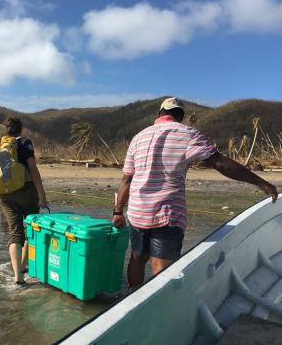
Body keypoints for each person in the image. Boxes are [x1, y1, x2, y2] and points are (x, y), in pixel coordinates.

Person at [112, 97, 278, 289]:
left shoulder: (138, 137)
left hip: (137, 212)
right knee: (162, 269)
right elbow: (220, 163)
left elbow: (127, 179)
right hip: (167, 214)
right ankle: (159, 307)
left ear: (159, 114)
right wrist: (262, 183)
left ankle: (131, 297)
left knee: (137, 257)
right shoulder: (188, 134)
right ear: (180, 116)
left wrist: (117, 212)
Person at [0, 117, 48, 285]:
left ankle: (17, 276)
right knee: (31, 231)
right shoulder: (25, 143)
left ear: (6, 130)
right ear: (21, 129)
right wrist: (43, 196)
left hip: (6, 194)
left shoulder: (1, 145)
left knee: (15, 232)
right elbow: (33, 169)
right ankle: (22, 265)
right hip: (27, 191)